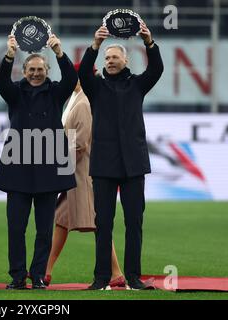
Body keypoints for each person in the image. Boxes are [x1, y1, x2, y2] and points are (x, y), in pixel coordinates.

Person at [78, 22, 163, 290]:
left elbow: (157, 69)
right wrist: (94, 45)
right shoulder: (95, 87)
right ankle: (101, 278)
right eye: (107, 57)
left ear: (126, 59)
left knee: (134, 223)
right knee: (103, 224)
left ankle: (134, 277)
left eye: (115, 57)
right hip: (103, 164)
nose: (110, 60)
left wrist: (149, 42)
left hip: (134, 164)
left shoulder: (138, 85)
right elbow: (82, 72)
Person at [0, 34, 77, 290]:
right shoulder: (15, 93)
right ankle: (18, 276)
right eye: (31, 69)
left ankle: (38, 275)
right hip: (18, 166)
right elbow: (0, 82)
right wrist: (9, 55)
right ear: (24, 70)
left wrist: (59, 51)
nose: (36, 73)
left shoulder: (55, 92)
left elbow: (71, 79)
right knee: (16, 228)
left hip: (48, 168)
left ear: (47, 70)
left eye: (40, 69)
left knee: (44, 230)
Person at [44, 63, 125, 288]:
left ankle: (116, 273)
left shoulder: (84, 102)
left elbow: (79, 142)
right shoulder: (78, 99)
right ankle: (45, 271)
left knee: (97, 222)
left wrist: (57, 164)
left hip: (82, 173)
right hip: (76, 172)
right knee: (62, 220)